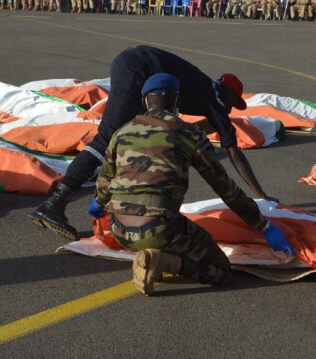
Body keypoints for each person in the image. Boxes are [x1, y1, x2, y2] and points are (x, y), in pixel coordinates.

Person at [30, 46, 278, 240]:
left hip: (134, 62)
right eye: (233, 103)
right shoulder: (215, 99)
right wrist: (261, 194)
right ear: (228, 93)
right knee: (107, 138)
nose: (230, 109)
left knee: (132, 137)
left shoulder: (204, 87)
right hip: (143, 66)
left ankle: (106, 200)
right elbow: (233, 152)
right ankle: (55, 204)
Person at [88, 73, 294, 295]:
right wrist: (263, 226)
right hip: (160, 229)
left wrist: (98, 203)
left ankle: (152, 254)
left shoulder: (121, 132)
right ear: (177, 101)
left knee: (166, 234)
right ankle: (162, 261)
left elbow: (104, 182)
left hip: (119, 230)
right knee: (220, 269)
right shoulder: (188, 133)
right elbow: (225, 187)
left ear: (145, 101)